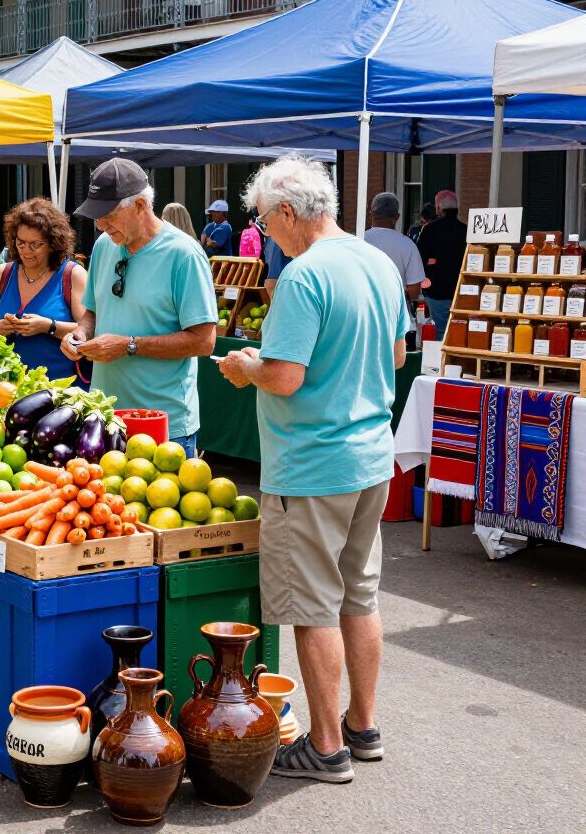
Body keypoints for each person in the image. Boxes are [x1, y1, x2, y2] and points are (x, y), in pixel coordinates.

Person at [216, 154, 407, 784]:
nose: (267, 235)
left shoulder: (303, 277)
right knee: (360, 595)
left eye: (268, 224)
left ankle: (326, 748)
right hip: (371, 454)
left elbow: (285, 377)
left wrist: (246, 369)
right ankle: (363, 726)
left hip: (314, 463)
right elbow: (401, 350)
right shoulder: (375, 260)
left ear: (289, 213)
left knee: (314, 607)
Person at [61, 160, 217, 457]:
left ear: (141, 205)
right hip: (105, 419)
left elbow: (204, 341)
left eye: (107, 216)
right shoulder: (104, 246)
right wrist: (80, 333)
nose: (100, 226)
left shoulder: (184, 255)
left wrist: (129, 345)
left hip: (163, 425)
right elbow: (92, 310)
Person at [0, 198, 88, 382]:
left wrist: (48, 327)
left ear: (53, 243)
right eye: (21, 243)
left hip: (59, 392)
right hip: (2, 390)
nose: (26, 251)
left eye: (36, 245)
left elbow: (89, 330)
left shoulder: (72, 275)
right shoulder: (1, 274)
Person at [416, 190, 466, 339]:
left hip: (436, 290)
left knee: (440, 331)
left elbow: (419, 258)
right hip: (460, 291)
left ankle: (440, 362)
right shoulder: (466, 230)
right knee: (459, 331)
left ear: (438, 207)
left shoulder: (430, 230)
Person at [364, 192, 426, 303]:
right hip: (396, 313)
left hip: (364, 312)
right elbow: (414, 292)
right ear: (397, 217)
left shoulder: (358, 241)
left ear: (371, 214)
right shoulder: (408, 245)